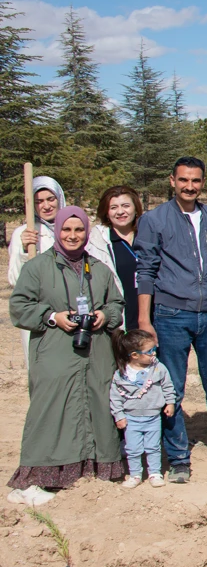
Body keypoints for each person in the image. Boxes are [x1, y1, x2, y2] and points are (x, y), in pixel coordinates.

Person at [135, 157, 207, 483]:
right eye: (184, 180)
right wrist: (145, 320)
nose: (190, 186)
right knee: (172, 388)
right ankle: (177, 459)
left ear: (203, 183)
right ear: (172, 181)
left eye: (196, 181)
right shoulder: (154, 219)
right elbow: (145, 272)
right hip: (171, 315)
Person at [7, 206, 125, 506]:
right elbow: (19, 307)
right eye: (66, 230)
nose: (72, 236)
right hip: (55, 350)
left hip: (96, 353)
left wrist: (103, 315)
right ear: (57, 231)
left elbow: (116, 303)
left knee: (97, 405)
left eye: (79, 230)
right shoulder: (38, 267)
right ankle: (35, 478)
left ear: (87, 233)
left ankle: (94, 469)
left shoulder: (98, 268)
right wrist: (52, 317)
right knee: (50, 409)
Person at [8, 176, 66, 364]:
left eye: (51, 199)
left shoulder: (73, 228)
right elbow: (14, 279)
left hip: (70, 308)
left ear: (59, 198)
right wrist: (24, 251)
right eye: (39, 201)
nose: (46, 206)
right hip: (40, 310)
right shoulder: (24, 233)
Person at [110, 329, 177, 488]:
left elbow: (168, 386)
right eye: (149, 351)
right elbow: (115, 396)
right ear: (134, 355)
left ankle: (155, 473)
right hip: (131, 418)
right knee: (132, 448)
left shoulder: (158, 368)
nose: (153, 354)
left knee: (153, 447)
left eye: (154, 350)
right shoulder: (121, 374)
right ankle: (135, 475)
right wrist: (119, 415)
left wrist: (170, 402)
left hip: (153, 417)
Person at [87, 186, 144, 330]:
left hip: (152, 316)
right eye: (113, 207)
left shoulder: (149, 235)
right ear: (106, 212)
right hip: (121, 318)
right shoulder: (96, 242)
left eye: (126, 206)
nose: (120, 212)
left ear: (136, 208)